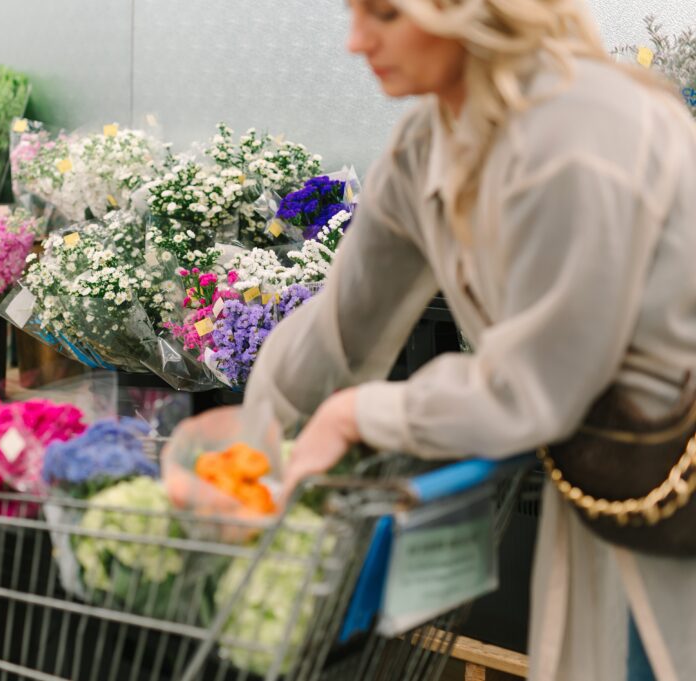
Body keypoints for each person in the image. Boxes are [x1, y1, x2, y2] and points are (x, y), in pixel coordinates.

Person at [243, 1, 696, 680]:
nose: (356, 41)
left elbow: (532, 389)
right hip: (622, 486)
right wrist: (250, 447)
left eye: (387, 14)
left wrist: (357, 413)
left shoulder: (583, 134)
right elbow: (342, 323)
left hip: (667, 488)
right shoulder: (431, 140)